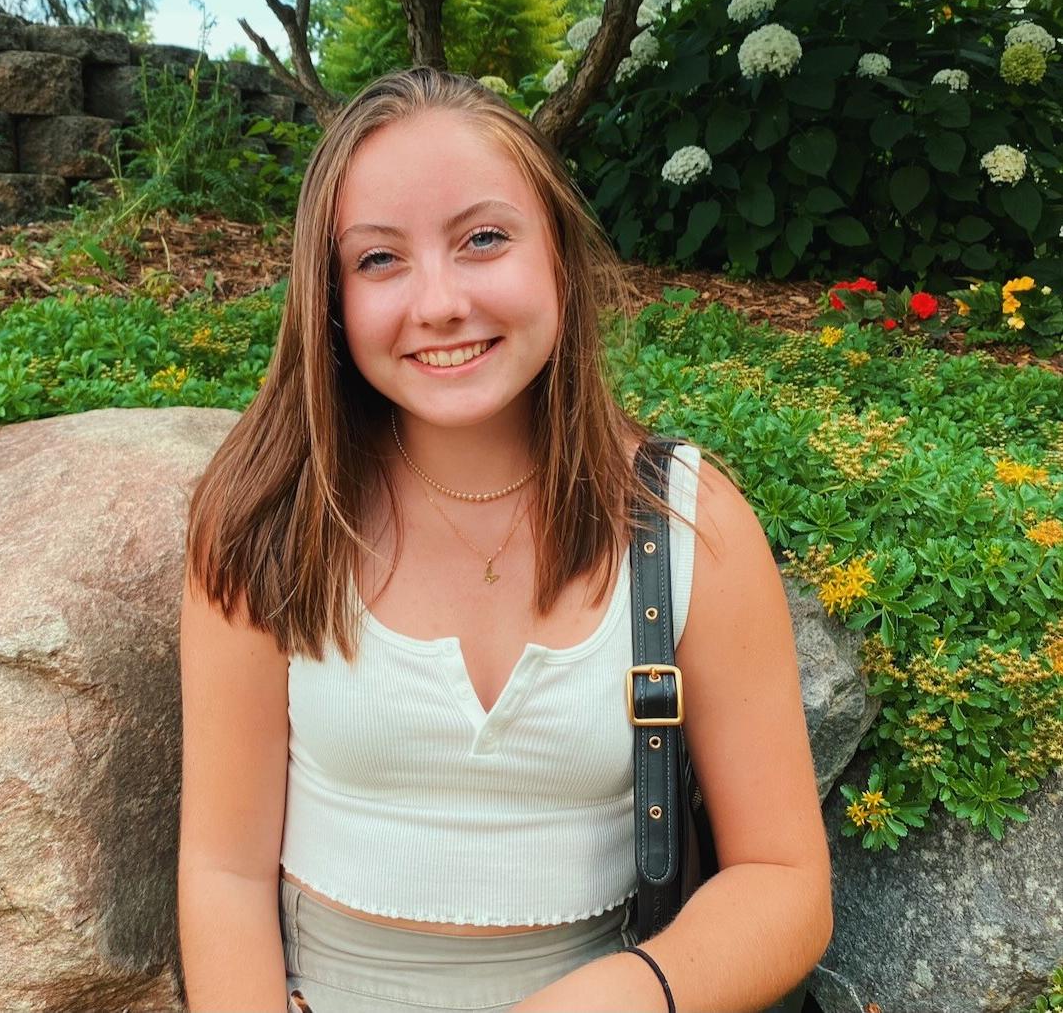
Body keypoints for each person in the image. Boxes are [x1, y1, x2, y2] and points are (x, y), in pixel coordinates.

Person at [177, 67, 833, 1013]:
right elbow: (223, 874)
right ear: (328, 298)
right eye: (378, 259)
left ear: (558, 256)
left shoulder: (687, 523)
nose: (438, 302)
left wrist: (623, 996)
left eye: (483, 239)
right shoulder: (269, 514)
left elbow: (784, 880)